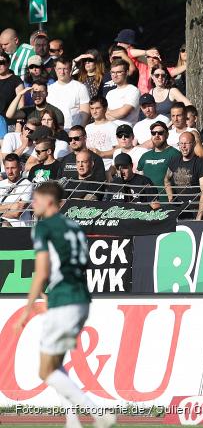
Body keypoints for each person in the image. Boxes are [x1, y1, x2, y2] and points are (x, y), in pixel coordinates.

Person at [14, 181, 116, 428]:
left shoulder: (44, 227)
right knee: (57, 366)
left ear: (49, 201)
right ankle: (73, 423)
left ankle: (97, 413)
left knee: (45, 371)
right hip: (81, 299)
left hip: (64, 300)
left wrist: (27, 310)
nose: (33, 203)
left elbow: (41, 272)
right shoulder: (75, 227)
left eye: (36, 199)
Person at [165, 132, 203, 219]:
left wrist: (199, 216)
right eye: (181, 143)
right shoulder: (174, 161)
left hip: (194, 211)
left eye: (186, 143)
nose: (183, 146)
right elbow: (166, 180)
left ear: (194, 144)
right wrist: (171, 199)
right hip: (178, 211)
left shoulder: (200, 164)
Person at [47, 59, 90, 130]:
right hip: (54, 132)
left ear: (70, 69)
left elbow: (86, 113)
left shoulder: (80, 87)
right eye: (59, 69)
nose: (62, 72)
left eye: (65, 69)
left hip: (73, 133)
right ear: (55, 69)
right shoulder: (49, 89)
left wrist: (79, 131)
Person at [136, 121, 181, 188]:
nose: (156, 135)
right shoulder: (145, 156)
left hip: (168, 198)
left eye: (160, 133)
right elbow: (139, 180)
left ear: (167, 135)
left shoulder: (175, 154)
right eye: (153, 133)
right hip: (149, 197)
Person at [84, 96, 119, 170]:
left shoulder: (113, 127)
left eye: (97, 108)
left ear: (105, 108)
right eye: (92, 108)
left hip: (106, 168)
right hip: (89, 168)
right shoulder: (87, 128)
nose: (94, 111)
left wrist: (102, 154)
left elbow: (119, 149)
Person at [0, 154, 32, 227]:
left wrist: (2, 207)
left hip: (18, 228)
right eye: (7, 168)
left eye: (13, 168)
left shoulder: (27, 184)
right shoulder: (1, 184)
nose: (10, 172)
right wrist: (11, 206)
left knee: (5, 224)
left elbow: (16, 214)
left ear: (20, 168)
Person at [105, 59, 140, 124]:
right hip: (111, 130)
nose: (115, 75)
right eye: (112, 72)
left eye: (118, 72)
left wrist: (108, 112)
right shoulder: (110, 93)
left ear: (126, 73)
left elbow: (123, 112)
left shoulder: (133, 90)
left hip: (126, 131)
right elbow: (104, 115)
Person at [0, 52, 22, 119]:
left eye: (1, 62)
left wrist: (19, 121)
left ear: (9, 63)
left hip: (9, 122)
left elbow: (21, 106)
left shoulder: (16, 80)